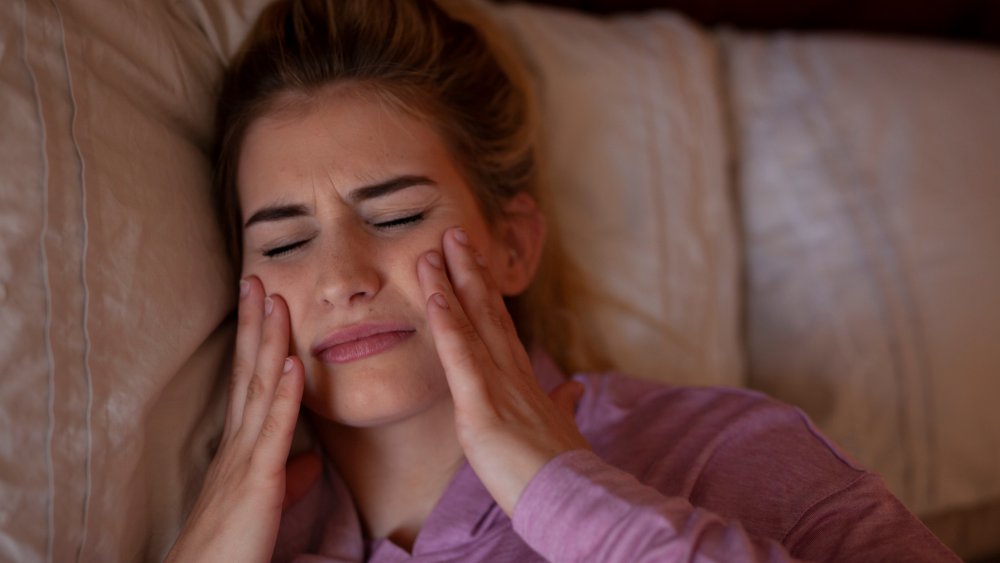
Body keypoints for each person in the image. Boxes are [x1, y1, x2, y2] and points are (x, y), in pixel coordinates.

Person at [166, 0, 959, 561]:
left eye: (396, 216)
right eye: (287, 239)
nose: (340, 277)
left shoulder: (724, 452)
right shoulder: (249, 538)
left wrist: (555, 488)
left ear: (511, 244)